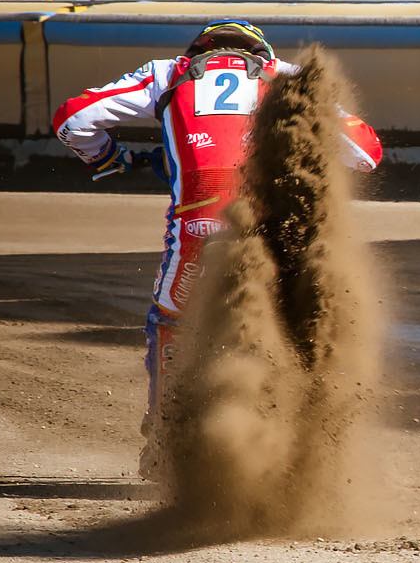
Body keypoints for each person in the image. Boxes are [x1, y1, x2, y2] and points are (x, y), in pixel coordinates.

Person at [51, 21, 383, 422]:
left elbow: (72, 120)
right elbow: (366, 155)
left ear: (197, 50)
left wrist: (109, 157)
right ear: (262, 53)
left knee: (170, 320)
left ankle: (166, 430)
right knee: (307, 314)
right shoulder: (289, 77)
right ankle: (313, 422)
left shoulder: (167, 74)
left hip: (199, 221)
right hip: (273, 228)